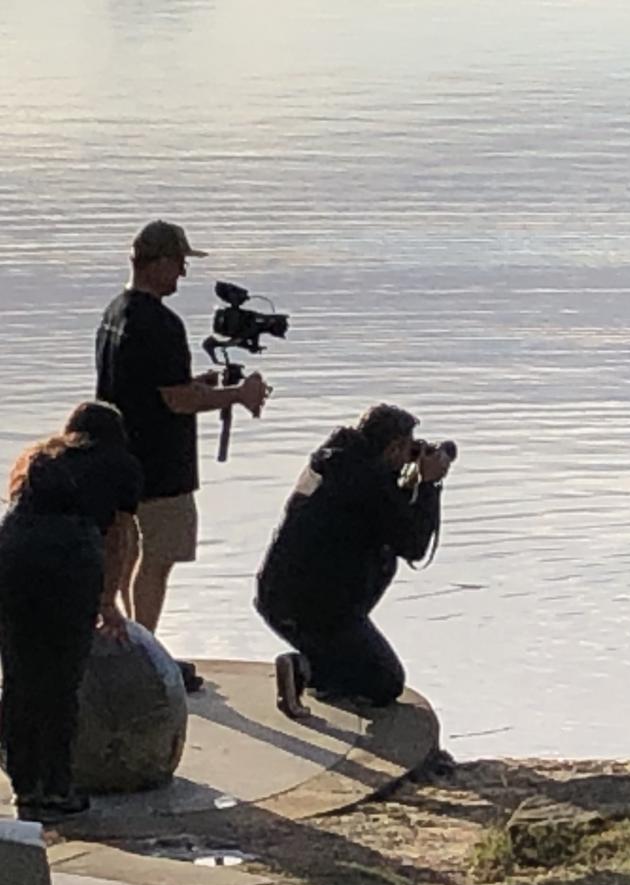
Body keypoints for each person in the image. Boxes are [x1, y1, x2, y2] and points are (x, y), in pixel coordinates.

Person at [94, 220, 270, 691]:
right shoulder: (161, 323)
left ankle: (134, 645)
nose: (183, 275)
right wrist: (238, 393)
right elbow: (176, 401)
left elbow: (152, 387)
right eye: (180, 263)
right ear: (160, 261)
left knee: (129, 554)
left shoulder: (115, 313)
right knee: (158, 559)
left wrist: (206, 385)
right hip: (160, 469)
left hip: (120, 459)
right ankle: (146, 659)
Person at [255, 404, 452, 718]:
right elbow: (413, 544)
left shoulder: (336, 463)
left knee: (355, 659)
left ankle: (317, 668)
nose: (410, 456)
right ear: (393, 447)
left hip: (277, 597)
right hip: (320, 608)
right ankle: (305, 670)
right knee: (385, 683)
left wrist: (408, 482)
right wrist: (429, 485)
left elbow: (378, 515)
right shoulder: (370, 484)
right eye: (407, 449)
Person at [0, 402, 141, 822]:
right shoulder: (122, 464)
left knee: (20, 675)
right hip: (70, 557)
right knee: (61, 680)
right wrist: (109, 602)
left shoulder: (40, 456)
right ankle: (57, 788)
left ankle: (24, 786)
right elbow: (119, 538)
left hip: (12, 552)